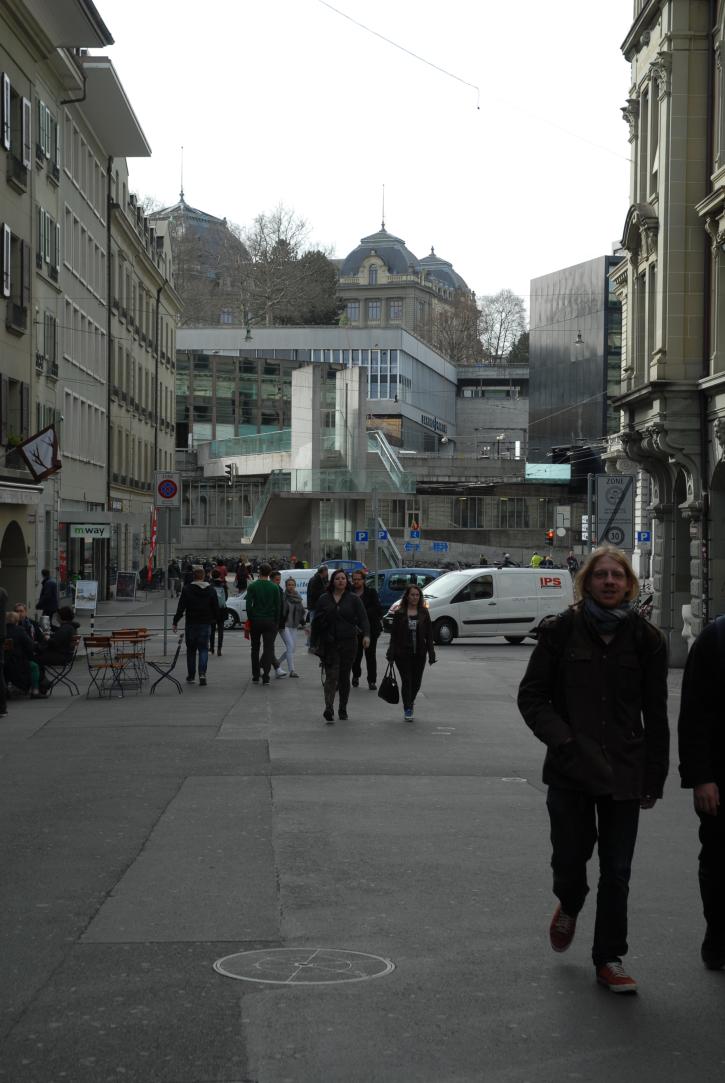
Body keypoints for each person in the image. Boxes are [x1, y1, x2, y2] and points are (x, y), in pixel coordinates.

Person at [517, 545, 669, 994]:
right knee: (569, 859)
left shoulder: (647, 639)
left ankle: (610, 958)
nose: (608, 582)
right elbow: (532, 697)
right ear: (586, 582)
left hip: (624, 771)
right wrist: (563, 741)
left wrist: (654, 777)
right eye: (600, 575)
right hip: (571, 771)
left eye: (616, 576)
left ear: (628, 584)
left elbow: (656, 715)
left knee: (617, 872)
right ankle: (569, 900)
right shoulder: (561, 632)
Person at [678, 618, 725, 970]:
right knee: (718, 861)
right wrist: (700, 778)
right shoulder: (716, 637)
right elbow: (693, 714)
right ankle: (718, 937)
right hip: (720, 778)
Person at [313, 570, 369, 724]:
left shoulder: (353, 599)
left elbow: (364, 618)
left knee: (344, 677)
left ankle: (342, 708)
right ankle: (328, 708)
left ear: (346, 581)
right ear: (333, 581)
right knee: (331, 676)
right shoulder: (324, 599)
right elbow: (316, 622)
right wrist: (313, 642)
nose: (340, 581)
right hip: (330, 643)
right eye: (337, 578)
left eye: (343, 578)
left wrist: (366, 635)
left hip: (349, 642)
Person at [385, 584, 436, 721]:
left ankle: (410, 700)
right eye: (412, 594)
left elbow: (429, 635)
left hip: (419, 653)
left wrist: (431, 653)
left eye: (417, 595)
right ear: (407, 596)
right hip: (402, 653)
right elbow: (394, 635)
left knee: (416, 682)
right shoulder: (400, 612)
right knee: (407, 680)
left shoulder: (424, 612)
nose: (414, 597)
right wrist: (391, 653)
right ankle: (407, 707)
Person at [172, 565, 221, 687]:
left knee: (191, 651)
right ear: (204, 576)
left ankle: (191, 675)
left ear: (193, 577)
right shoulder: (211, 590)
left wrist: (175, 621)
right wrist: (217, 621)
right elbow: (216, 607)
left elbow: (181, 607)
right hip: (205, 623)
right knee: (204, 649)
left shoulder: (187, 589)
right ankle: (202, 674)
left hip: (191, 623)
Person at [245, 562, 282, 685]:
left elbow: (248, 605)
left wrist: (250, 618)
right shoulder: (274, 587)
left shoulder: (253, 586)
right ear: (270, 573)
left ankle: (255, 675)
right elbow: (278, 606)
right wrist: (276, 621)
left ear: (259, 572)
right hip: (270, 621)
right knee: (268, 648)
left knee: (254, 648)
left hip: (256, 620)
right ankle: (266, 675)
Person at [350, 568, 383, 690]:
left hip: (371, 629)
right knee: (356, 656)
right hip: (354, 630)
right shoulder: (349, 593)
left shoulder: (371, 593)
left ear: (363, 580)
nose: (356, 582)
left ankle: (372, 681)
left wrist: (362, 613)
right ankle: (356, 676)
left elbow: (378, 610)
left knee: (370, 656)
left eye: (359, 579)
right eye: (354, 579)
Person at [4, 612, 42, 696]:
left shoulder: (3, 631)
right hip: (17, 663)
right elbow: (30, 645)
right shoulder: (19, 630)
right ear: (17, 621)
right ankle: (35, 691)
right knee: (34, 666)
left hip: (4, 662)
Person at [277, 577, 306, 678]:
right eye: (289, 585)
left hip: (294, 625)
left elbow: (301, 612)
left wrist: (304, 624)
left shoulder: (298, 597)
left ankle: (277, 663)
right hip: (284, 625)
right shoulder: (283, 597)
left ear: (295, 586)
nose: (291, 586)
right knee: (290, 646)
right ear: (286, 586)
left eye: (292, 585)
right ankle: (292, 671)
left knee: (292, 649)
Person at [269, 570, 288, 679]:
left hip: (279, 622)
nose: (279, 582)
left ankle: (260, 666)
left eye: (280, 580)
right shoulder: (273, 589)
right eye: (277, 580)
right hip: (274, 621)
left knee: (269, 646)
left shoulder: (278, 589)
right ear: (271, 579)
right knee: (269, 646)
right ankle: (276, 667)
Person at [209, 569, 228, 657]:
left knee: (212, 630)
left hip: (212, 610)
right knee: (221, 630)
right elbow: (226, 598)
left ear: (212, 576)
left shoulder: (210, 585)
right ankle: (219, 649)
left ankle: (212, 648)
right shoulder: (223, 585)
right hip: (222, 610)